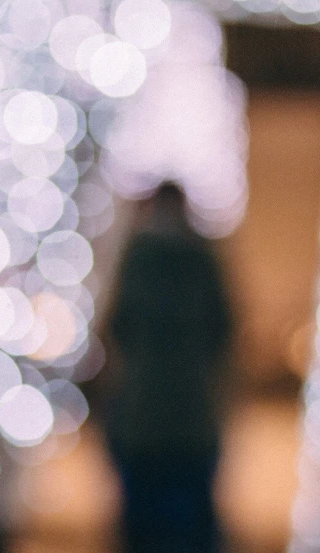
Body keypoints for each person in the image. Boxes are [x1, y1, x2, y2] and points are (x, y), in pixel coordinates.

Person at [103, 181, 233, 553]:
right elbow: (222, 328)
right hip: (184, 416)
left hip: (151, 416)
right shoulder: (198, 258)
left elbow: (118, 326)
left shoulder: (140, 258)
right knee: (184, 522)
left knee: (149, 522)